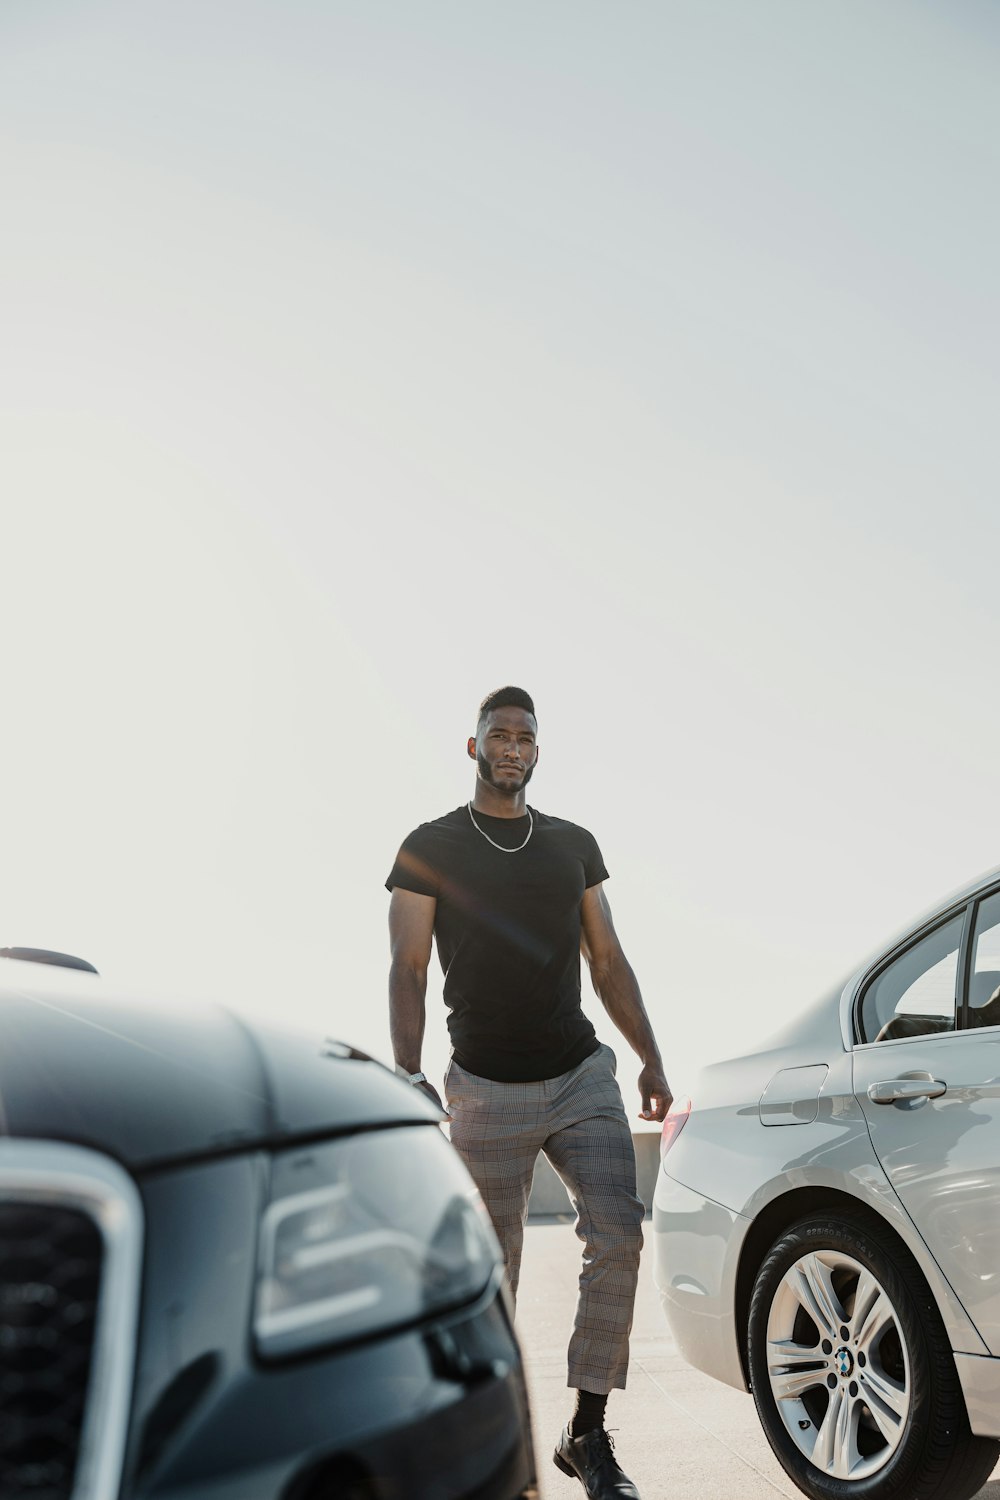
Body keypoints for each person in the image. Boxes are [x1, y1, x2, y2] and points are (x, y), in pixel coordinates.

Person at [386, 686, 671, 1500]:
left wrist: (649, 1057)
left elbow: (607, 962)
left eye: (525, 737)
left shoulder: (573, 846)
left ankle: (586, 1433)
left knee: (618, 1232)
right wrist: (410, 1075)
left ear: (538, 752)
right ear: (472, 747)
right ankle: (493, 1438)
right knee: (491, 1275)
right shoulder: (427, 847)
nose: (512, 747)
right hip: (481, 1088)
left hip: (581, 1074)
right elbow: (406, 969)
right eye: (498, 735)